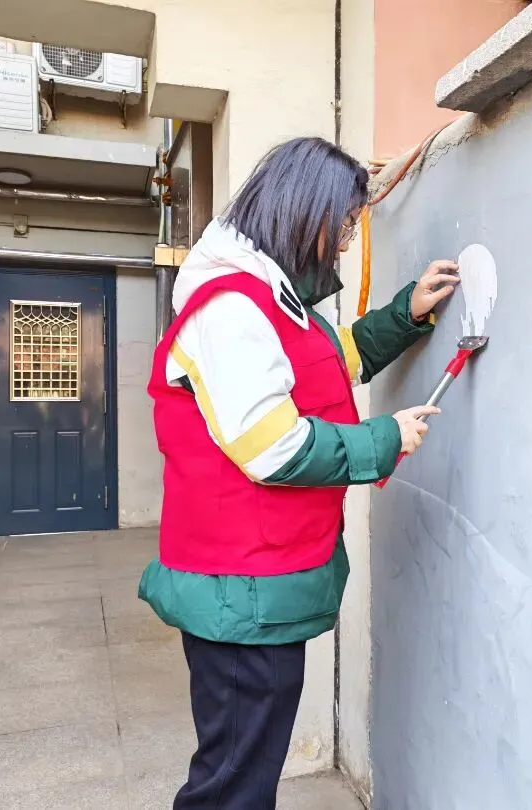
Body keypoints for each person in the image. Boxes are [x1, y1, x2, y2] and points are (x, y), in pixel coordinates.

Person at [139, 136, 459, 810]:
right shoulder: (231, 309)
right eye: (343, 225)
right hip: (239, 593)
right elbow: (275, 449)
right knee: (232, 785)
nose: (345, 243)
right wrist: (385, 438)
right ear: (303, 211)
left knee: (244, 771)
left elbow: (327, 362)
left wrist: (406, 313)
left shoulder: (268, 297)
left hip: (256, 587)